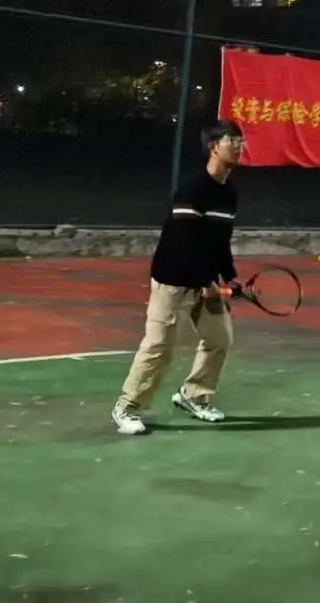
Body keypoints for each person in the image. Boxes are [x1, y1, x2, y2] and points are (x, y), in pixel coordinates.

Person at [111, 120, 244, 435]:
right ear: (214, 147)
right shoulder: (192, 188)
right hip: (173, 278)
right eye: (233, 141)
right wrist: (208, 283)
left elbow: (219, 241)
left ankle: (193, 395)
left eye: (242, 142)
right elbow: (186, 243)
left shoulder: (229, 193)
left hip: (205, 281)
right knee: (159, 345)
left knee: (220, 339)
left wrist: (229, 276)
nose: (239, 147)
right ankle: (127, 407)